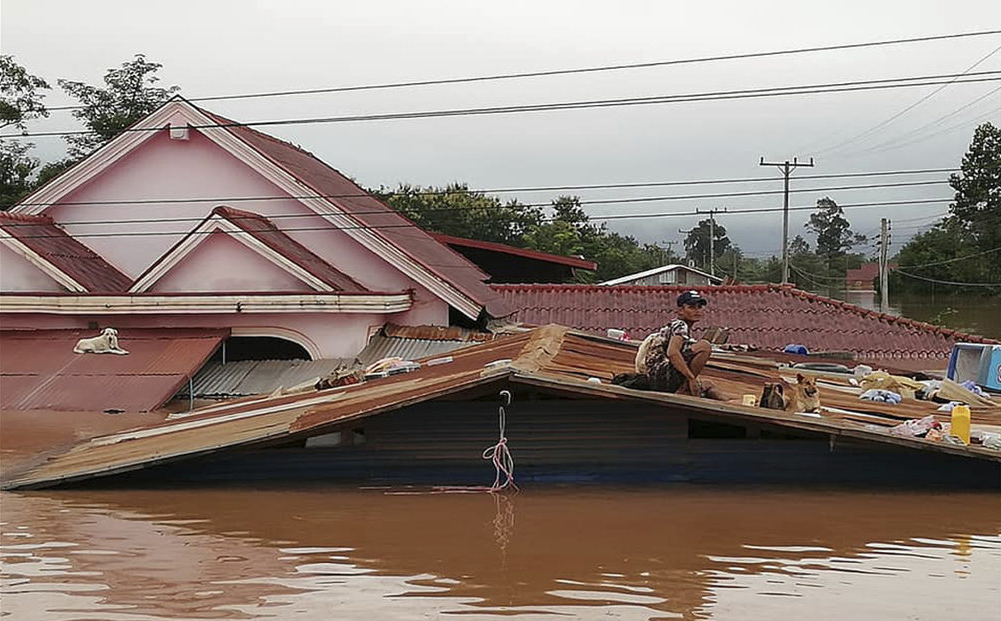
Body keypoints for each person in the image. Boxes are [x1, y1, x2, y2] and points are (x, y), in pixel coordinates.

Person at [644, 290, 724, 399]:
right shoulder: (680, 325)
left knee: (709, 384)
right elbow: (672, 352)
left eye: (699, 307)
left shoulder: (679, 327)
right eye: (691, 307)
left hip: (658, 376)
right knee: (704, 346)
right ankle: (683, 390)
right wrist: (691, 379)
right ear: (681, 311)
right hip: (661, 375)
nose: (697, 311)